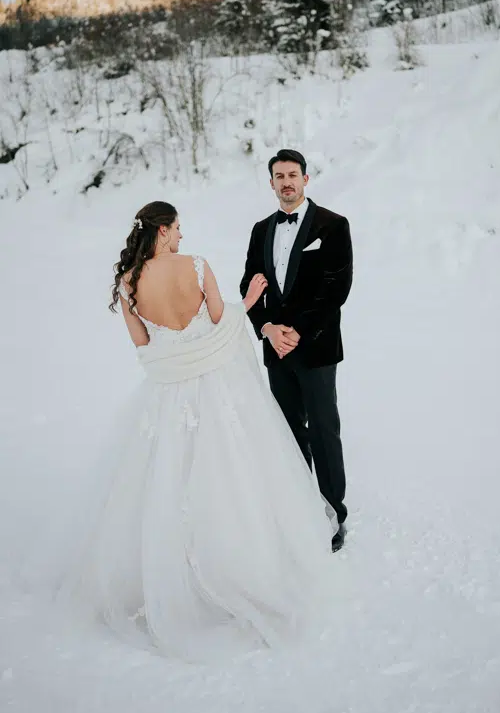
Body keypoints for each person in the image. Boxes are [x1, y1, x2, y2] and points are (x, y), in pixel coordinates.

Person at [56, 200, 337, 663]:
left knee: (166, 480)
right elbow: (219, 329)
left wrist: (178, 353)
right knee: (232, 475)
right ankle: (242, 568)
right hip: (215, 389)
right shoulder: (197, 265)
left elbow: (145, 348)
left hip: (166, 397)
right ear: (163, 230)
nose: (182, 236)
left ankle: (171, 576)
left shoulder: (127, 285)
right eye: (178, 228)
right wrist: (246, 304)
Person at [240, 150, 353, 552]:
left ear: (305, 179)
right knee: (288, 435)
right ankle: (297, 513)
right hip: (277, 350)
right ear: (271, 183)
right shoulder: (260, 230)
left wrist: (296, 332)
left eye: (292, 175)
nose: (286, 182)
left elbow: (336, 289)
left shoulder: (333, 225)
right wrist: (267, 329)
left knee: (324, 433)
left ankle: (333, 515)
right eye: (278, 176)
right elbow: (248, 287)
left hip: (317, 348)